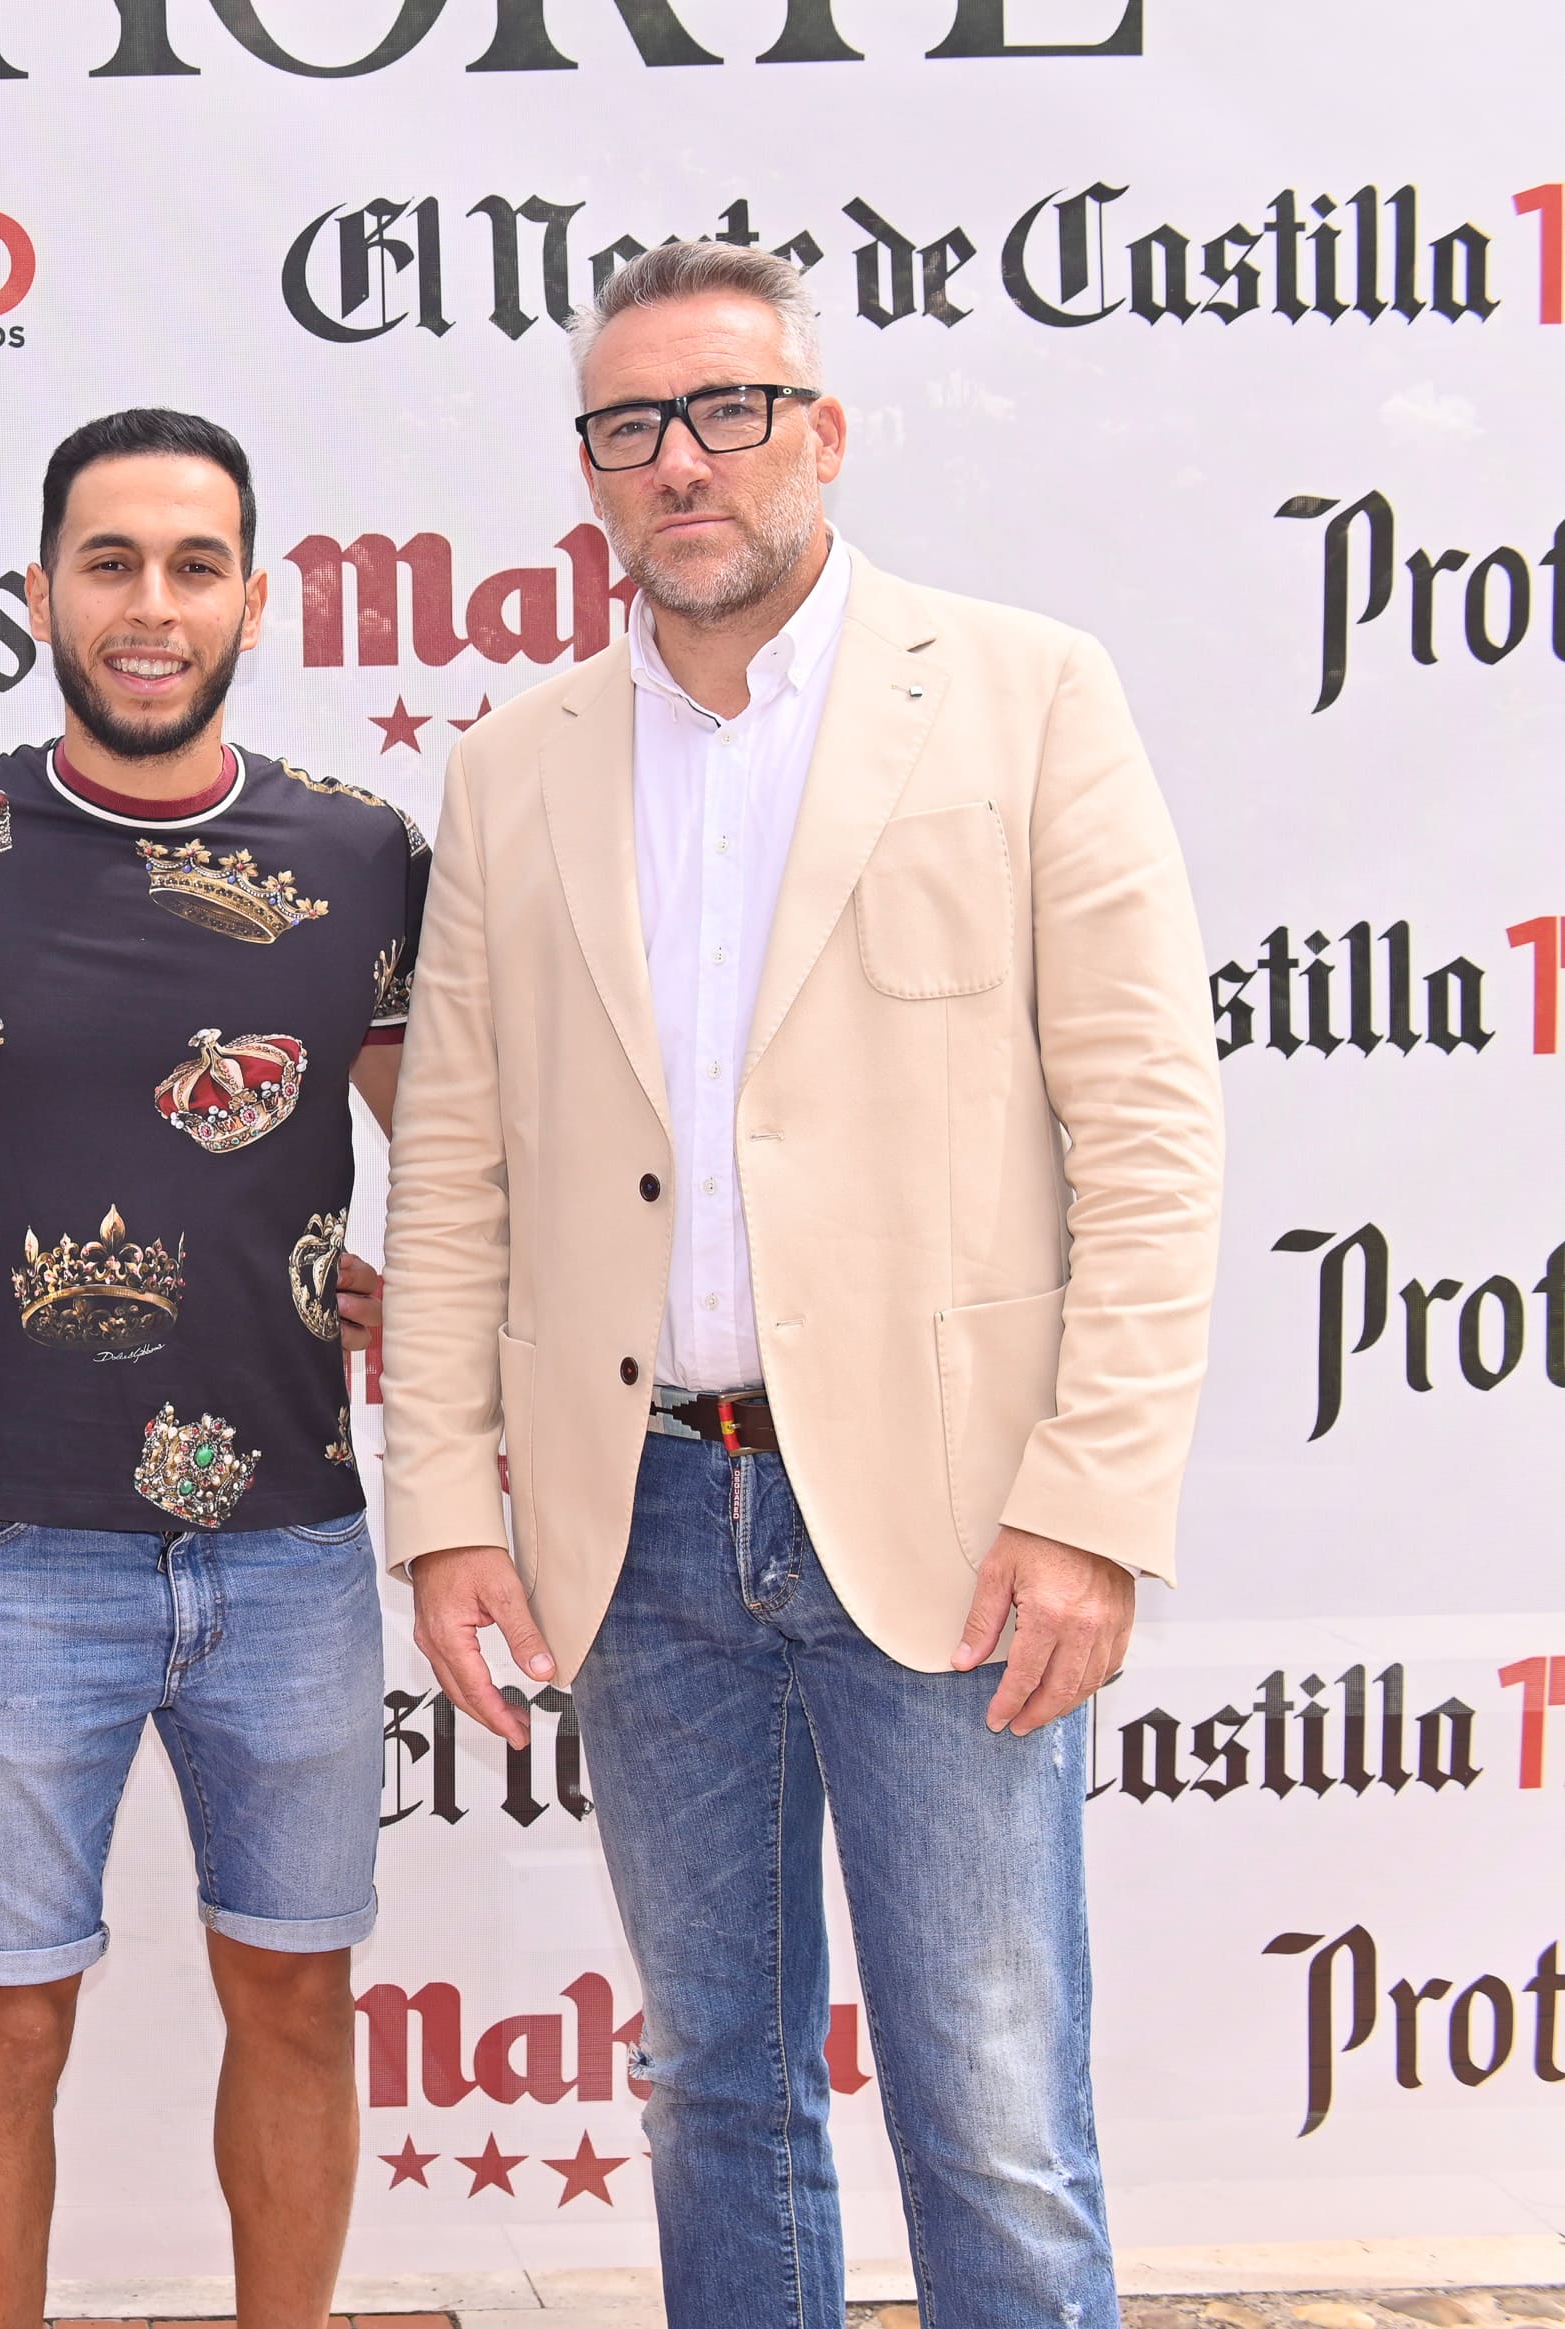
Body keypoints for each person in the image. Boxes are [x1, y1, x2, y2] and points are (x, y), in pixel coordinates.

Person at [381, 241, 1225, 2326]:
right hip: (644, 1526)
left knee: (994, 2114)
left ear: (822, 437)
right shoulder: (512, 763)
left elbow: (1145, 1131)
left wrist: (1088, 1503)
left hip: (945, 1530)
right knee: (712, 2098)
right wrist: (450, 1510)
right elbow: (457, 1174)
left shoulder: (1026, 693)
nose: (681, 462)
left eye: (727, 412)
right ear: (587, 473)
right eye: (628, 428)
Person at [0, 410, 428, 2329]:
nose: (150, 606)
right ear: (41, 594)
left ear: (255, 595)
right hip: (18, 1550)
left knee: (301, 1993)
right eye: (110, 564)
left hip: (293, 1546)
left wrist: (425, 1279)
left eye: (192, 566)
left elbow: (460, 1129)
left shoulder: (356, 852)